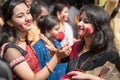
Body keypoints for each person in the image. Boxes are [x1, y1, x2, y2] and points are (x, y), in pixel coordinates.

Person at [0, 0, 71, 80]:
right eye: (20, 16)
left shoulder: (24, 41)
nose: (28, 18)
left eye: (28, 12)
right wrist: (57, 57)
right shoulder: (10, 50)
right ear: (9, 22)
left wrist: (55, 53)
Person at [65, 4, 120, 80]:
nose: (79, 24)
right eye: (80, 20)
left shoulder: (110, 55)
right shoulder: (76, 46)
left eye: (86, 21)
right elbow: (61, 59)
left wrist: (88, 77)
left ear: (99, 26)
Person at [33, 15, 68, 80]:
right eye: (56, 29)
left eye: (59, 28)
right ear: (47, 31)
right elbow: (38, 72)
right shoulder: (38, 47)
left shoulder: (57, 43)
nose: (60, 31)